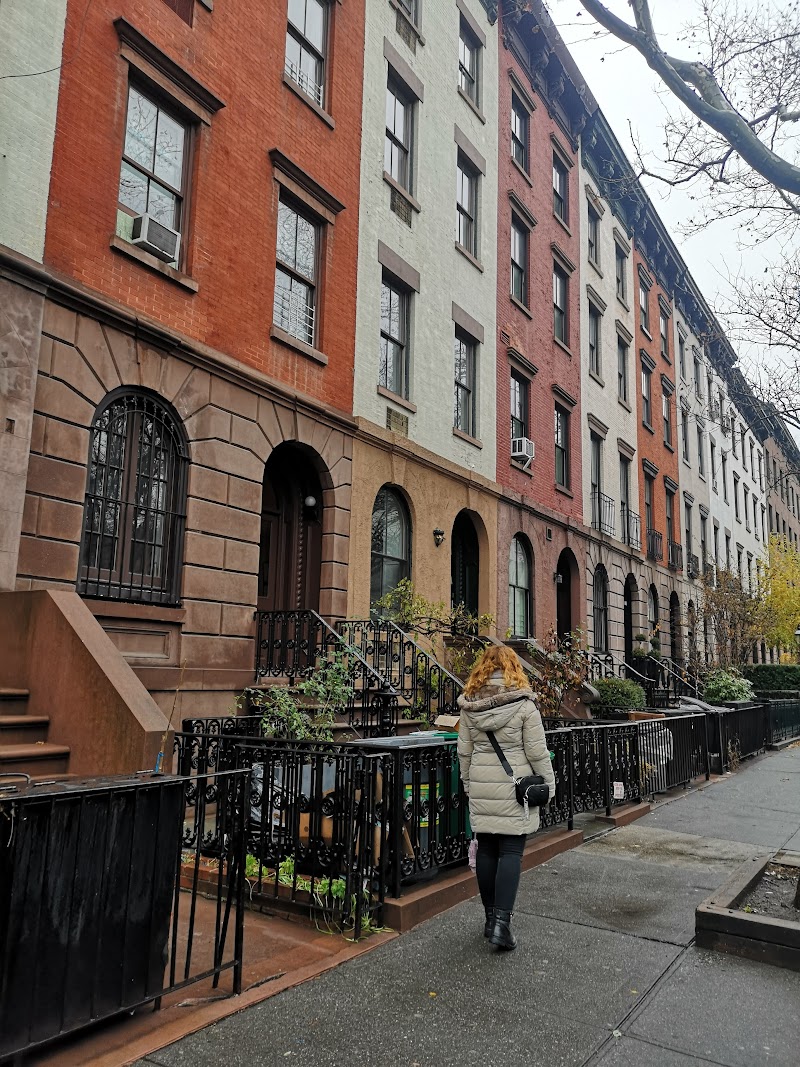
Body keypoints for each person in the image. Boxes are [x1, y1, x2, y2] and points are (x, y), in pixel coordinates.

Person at [457, 645, 555, 951]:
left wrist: (468, 783)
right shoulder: (525, 707)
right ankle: (502, 924)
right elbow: (537, 752)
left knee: (486, 849)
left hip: (483, 786)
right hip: (515, 790)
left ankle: (490, 921)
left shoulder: (470, 705)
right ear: (514, 668)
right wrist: (549, 785)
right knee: (511, 852)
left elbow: (464, 751)